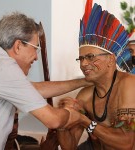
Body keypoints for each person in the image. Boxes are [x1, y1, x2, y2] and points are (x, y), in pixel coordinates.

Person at [0, 12, 93, 150]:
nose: (36, 57)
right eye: (35, 48)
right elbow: (53, 120)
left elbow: (35, 89)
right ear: (18, 46)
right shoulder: (4, 68)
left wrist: (84, 82)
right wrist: (76, 115)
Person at [55, 0, 135, 150]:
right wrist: (62, 121)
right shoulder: (84, 96)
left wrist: (85, 121)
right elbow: (69, 146)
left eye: (90, 57)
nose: (84, 64)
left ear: (111, 59)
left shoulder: (129, 84)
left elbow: (126, 143)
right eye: (81, 58)